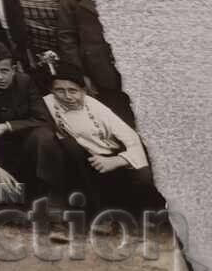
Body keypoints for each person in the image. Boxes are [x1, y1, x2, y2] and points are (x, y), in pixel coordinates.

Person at [44, 64, 165, 218]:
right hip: (84, 162)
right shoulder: (48, 102)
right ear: (52, 91)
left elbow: (133, 141)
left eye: (73, 91)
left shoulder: (96, 108)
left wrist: (116, 161)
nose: (67, 96)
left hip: (113, 159)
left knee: (143, 196)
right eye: (59, 90)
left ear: (84, 91)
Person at [0, 41, 66, 206]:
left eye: (5, 70)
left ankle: (50, 200)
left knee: (43, 135)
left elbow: (44, 120)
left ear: (14, 69)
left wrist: (5, 126)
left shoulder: (25, 82)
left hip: (23, 153)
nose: (0, 77)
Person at [57, 0, 133, 125]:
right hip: (100, 71)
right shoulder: (70, 1)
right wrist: (81, 75)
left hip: (132, 68)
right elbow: (67, 40)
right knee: (118, 115)